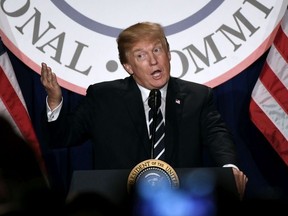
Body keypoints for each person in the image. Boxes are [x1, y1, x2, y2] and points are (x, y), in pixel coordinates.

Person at [40, 22, 248, 205]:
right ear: (128, 66)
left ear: (169, 54)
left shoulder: (197, 96)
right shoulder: (103, 97)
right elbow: (62, 137)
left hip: (181, 204)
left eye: (157, 50)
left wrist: (230, 170)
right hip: (120, 205)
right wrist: (54, 100)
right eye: (141, 55)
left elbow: (218, 136)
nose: (153, 60)